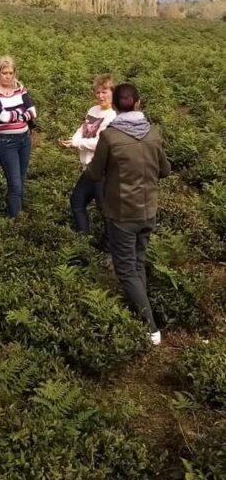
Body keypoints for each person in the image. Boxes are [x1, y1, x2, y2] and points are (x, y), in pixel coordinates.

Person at [86, 82, 171, 345]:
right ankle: (141, 307)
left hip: (122, 214)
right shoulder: (153, 132)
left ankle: (151, 327)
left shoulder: (110, 137)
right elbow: (165, 170)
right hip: (148, 211)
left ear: (116, 106)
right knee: (137, 260)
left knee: (125, 269)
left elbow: (95, 173)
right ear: (137, 103)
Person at [60, 73, 116, 242]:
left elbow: (101, 143)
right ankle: (83, 240)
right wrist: (74, 139)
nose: (101, 96)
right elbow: (83, 128)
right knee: (77, 201)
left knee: (105, 210)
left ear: (113, 92)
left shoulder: (113, 116)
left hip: (103, 170)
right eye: (98, 92)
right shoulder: (93, 110)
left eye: (105, 92)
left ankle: (110, 248)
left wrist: (77, 143)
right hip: (89, 168)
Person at [0, 56, 37, 219]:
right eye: (4, 73)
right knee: (14, 182)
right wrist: (22, 114)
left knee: (21, 179)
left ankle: (18, 214)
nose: (8, 76)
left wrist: (15, 115)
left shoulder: (19, 88)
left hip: (24, 139)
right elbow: (1, 116)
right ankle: (15, 219)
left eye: (11, 73)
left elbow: (33, 112)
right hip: (6, 143)